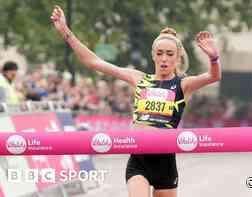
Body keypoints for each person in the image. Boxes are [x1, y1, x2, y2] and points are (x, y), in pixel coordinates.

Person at [51, 5, 221, 197]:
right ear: (152, 55)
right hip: (138, 160)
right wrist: (66, 32)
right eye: (159, 53)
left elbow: (213, 77)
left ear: (178, 58)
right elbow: (94, 62)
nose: (164, 59)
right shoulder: (139, 79)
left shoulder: (183, 84)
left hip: (165, 163)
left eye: (169, 54)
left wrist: (214, 58)